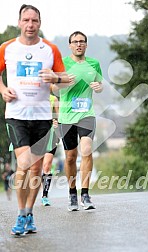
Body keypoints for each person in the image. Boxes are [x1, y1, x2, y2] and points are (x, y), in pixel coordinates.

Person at [0, 4, 74, 236]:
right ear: (20, 22)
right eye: (26, 20)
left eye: (34, 20)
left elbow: (66, 81)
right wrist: (2, 89)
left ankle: (29, 212)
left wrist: (55, 77)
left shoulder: (50, 50)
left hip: (43, 117)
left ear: (39, 23)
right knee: (23, 165)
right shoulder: (6, 48)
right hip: (16, 115)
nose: (30, 25)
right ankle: (21, 214)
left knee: (35, 170)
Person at [45, 31, 103, 211]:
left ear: (86, 45)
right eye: (75, 42)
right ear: (70, 45)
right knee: (70, 157)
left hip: (86, 113)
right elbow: (53, 88)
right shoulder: (62, 64)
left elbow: (100, 86)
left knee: (86, 150)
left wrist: (99, 87)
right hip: (66, 116)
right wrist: (63, 83)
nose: (79, 44)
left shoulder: (94, 63)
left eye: (82, 41)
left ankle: (85, 194)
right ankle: (72, 194)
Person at [41, 94, 59, 206]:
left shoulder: (54, 99)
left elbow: (59, 116)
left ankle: (45, 195)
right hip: (35, 134)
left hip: (51, 134)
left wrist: (57, 122)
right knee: (34, 167)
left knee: (47, 165)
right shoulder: (35, 96)